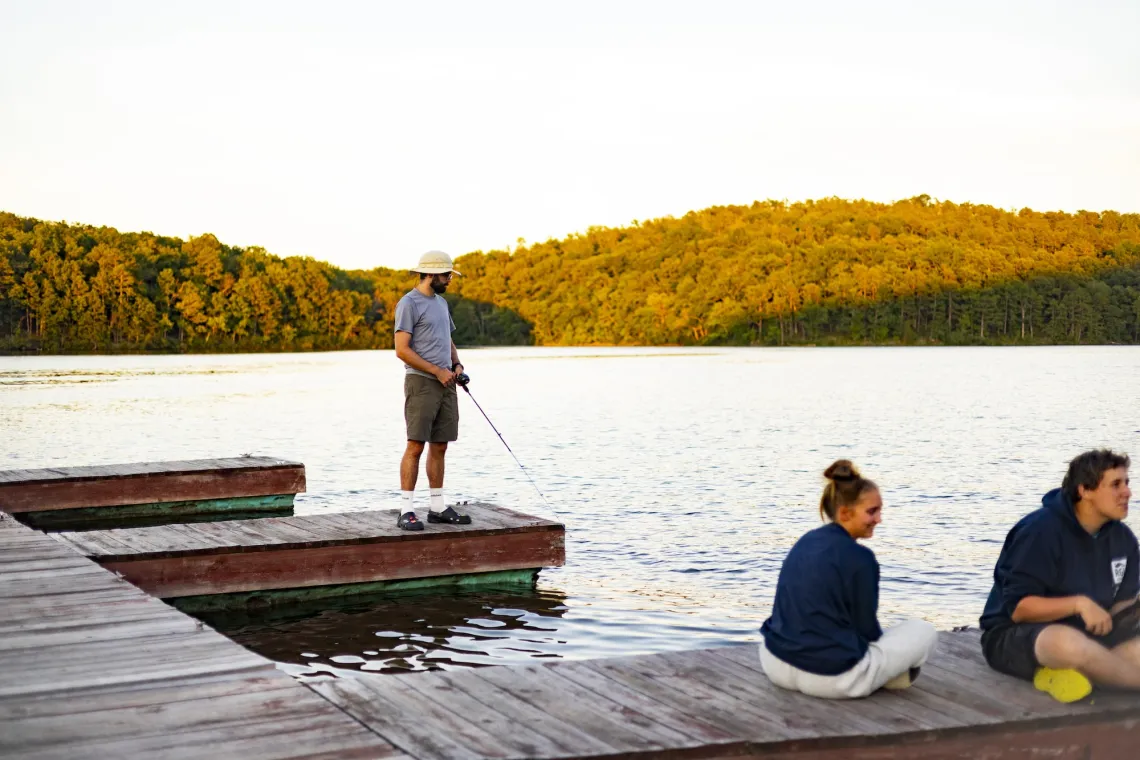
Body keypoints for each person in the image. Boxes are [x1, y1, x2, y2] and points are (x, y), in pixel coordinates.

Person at [759, 460, 938, 699]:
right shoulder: (861, 558)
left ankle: (884, 674)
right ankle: (887, 676)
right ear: (845, 513)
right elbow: (867, 629)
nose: (879, 519)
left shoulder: (806, 540)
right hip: (831, 679)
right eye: (872, 511)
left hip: (775, 663)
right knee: (922, 629)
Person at [980, 449, 1139, 703]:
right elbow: (1020, 609)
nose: (1127, 493)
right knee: (1066, 644)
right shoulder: (1039, 531)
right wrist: (1079, 604)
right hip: (1017, 636)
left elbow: (1121, 608)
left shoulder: (1124, 540)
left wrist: (1133, 614)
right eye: (1116, 484)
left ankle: (1081, 675)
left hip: (1092, 639)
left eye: (1127, 483)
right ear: (1084, 490)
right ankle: (1107, 675)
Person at [393, 250, 472, 531]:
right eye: (447, 275)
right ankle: (406, 510)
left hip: (447, 382)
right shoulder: (409, 304)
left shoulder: (441, 304)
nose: (450, 280)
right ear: (432, 274)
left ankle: (437, 507)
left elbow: (447, 339)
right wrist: (436, 371)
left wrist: (456, 365)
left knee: (440, 445)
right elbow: (402, 350)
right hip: (422, 383)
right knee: (416, 445)